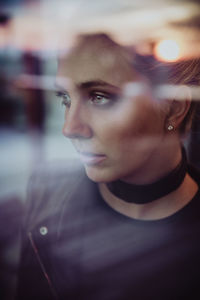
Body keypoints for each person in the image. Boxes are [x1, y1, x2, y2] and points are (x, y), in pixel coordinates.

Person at [16, 34, 200, 300]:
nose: (69, 128)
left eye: (99, 97)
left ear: (173, 107)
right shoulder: (47, 192)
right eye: (65, 98)